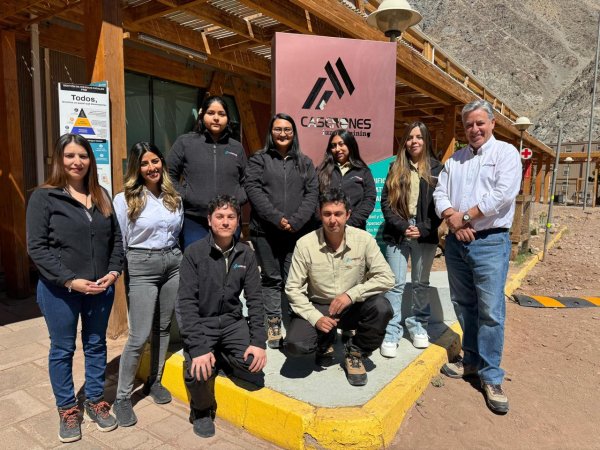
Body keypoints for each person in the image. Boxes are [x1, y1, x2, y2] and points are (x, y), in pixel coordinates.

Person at [26, 134, 123, 443]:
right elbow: (37, 248)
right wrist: (70, 280)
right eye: (69, 155)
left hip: (100, 289)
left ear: (90, 160)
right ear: (59, 159)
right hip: (60, 291)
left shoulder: (101, 195)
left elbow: (116, 241)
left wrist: (113, 272)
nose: (76, 161)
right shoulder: (44, 197)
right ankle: (68, 409)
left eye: (82, 155)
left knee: (96, 345)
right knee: (62, 349)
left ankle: (95, 401)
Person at [433, 99, 522, 414]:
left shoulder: (506, 154)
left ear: (492, 123)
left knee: (490, 311)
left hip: (490, 242)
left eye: (480, 123)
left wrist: (466, 217)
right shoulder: (455, 160)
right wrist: (453, 219)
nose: (474, 129)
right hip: (458, 243)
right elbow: (440, 193)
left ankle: (491, 376)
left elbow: (503, 194)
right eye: (469, 124)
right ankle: (470, 360)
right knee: (463, 304)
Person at [176, 195, 267, 438]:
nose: (225, 222)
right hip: (203, 323)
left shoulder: (245, 254)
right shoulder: (194, 253)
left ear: (237, 221)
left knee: (252, 365)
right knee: (198, 372)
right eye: (219, 216)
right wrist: (198, 348)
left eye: (231, 217)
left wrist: (258, 342)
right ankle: (202, 411)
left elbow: (256, 300)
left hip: (232, 323)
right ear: (209, 220)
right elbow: (186, 304)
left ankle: (221, 355)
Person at [285, 188, 394, 386]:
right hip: (320, 306)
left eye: (338, 214)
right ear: (320, 215)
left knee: (381, 307)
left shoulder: (364, 240)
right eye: (327, 214)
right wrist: (316, 318)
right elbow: (293, 288)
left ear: (348, 215)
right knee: (295, 345)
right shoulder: (305, 244)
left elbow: (387, 277)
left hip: (352, 306)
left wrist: (351, 295)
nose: (332, 220)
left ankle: (355, 352)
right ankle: (324, 341)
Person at [112, 142, 183, 427]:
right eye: (144, 163)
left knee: (162, 327)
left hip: (173, 261)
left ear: (162, 162)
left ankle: (155, 381)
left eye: (155, 161)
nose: (151, 167)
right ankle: (122, 398)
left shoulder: (173, 196)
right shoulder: (125, 199)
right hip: (142, 264)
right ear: (136, 168)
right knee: (139, 335)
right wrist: (117, 272)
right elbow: (120, 240)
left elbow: (177, 232)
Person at [245, 113, 319, 349]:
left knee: (293, 280)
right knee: (271, 278)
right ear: (271, 132)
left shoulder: (305, 162)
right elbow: (253, 190)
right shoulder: (259, 159)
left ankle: (297, 322)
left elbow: (312, 193)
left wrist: (295, 221)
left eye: (288, 129)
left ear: (294, 133)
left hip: (297, 232)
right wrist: (277, 219)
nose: (283, 133)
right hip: (265, 232)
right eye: (278, 129)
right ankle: (274, 322)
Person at [379, 122, 443, 358]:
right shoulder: (395, 167)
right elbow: (386, 203)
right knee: (395, 284)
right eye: (409, 137)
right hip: (398, 232)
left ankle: (418, 326)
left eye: (419, 137)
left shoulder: (438, 169)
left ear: (426, 140)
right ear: (404, 142)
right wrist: (404, 226)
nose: (414, 141)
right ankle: (392, 331)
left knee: (420, 283)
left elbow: (442, 204)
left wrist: (424, 229)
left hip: (425, 233)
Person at [167, 95, 247, 248]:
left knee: (227, 260)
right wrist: (186, 195)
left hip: (227, 218)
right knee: (196, 260)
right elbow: (169, 175)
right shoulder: (185, 142)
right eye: (211, 113)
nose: (216, 118)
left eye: (221, 114)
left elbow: (247, 180)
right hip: (194, 220)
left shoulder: (236, 147)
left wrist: (237, 198)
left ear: (228, 119)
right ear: (202, 114)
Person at [316, 129, 376, 230]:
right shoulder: (321, 171)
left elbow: (369, 199)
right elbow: (314, 198)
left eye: (341, 144)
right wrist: (325, 221)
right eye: (333, 146)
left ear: (350, 145)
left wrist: (350, 223)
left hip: (354, 228)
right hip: (326, 229)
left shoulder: (363, 171)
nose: (337, 149)